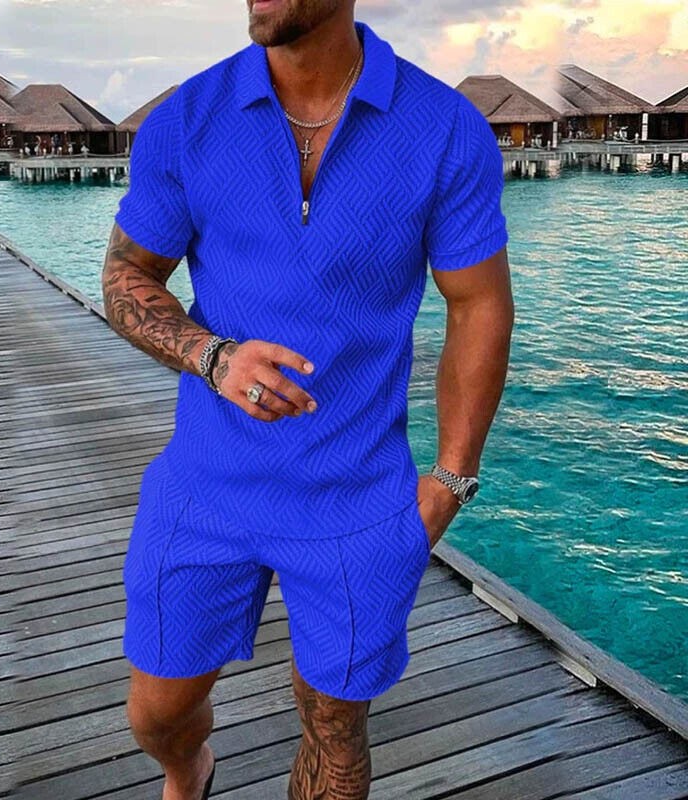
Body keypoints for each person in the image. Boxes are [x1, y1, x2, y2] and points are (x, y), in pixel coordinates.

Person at [103, 2, 514, 798]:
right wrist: (213, 356)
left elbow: (479, 304)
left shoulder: (444, 129)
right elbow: (126, 277)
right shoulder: (186, 120)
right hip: (206, 484)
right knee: (157, 713)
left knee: (335, 728)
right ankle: (189, 769)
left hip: (356, 498)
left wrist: (451, 478)